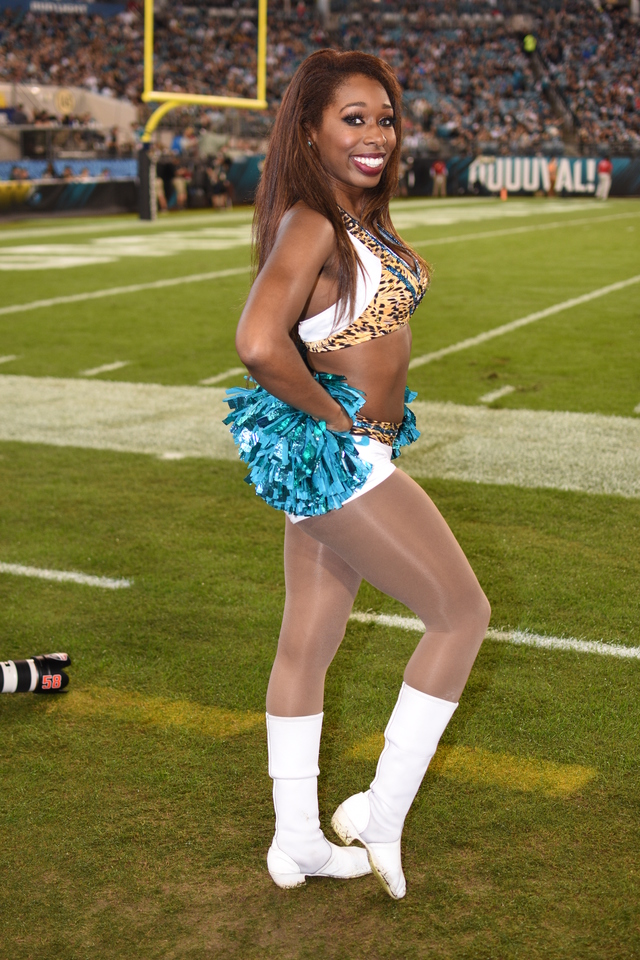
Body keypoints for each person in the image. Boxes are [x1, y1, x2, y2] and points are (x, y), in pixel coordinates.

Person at [227, 50, 491, 900]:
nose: (376, 134)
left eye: (384, 117)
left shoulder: (357, 217)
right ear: (310, 130)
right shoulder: (312, 221)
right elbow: (260, 343)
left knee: (309, 637)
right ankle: (380, 812)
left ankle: (297, 842)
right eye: (353, 118)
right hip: (343, 455)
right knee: (461, 615)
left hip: (343, 453)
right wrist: (337, 418)